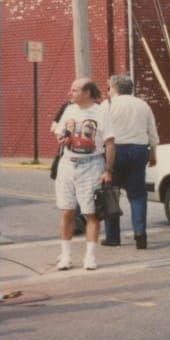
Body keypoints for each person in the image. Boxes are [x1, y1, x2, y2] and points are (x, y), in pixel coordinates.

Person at [52, 78, 114, 271]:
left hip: (92, 165)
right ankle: (66, 256)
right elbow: (59, 132)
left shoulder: (102, 112)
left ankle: (90, 257)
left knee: (91, 213)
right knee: (66, 210)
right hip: (67, 165)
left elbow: (110, 143)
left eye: (75, 90)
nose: (70, 93)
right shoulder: (69, 110)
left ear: (87, 93)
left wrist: (108, 170)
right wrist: (61, 137)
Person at [102, 74, 159, 250]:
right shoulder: (143, 105)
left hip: (116, 151)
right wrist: (153, 153)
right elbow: (152, 131)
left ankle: (113, 237)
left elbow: (102, 133)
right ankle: (140, 233)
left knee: (111, 193)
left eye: (109, 88)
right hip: (139, 150)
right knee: (137, 195)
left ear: (115, 88)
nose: (108, 91)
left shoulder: (107, 105)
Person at [50, 97, 86, 235]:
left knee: (72, 189)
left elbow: (53, 128)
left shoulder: (67, 107)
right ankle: (80, 220)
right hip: (90, 155)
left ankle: (76, 222)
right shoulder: (98, 107)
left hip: (70, 154)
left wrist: (64, 139)